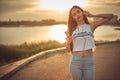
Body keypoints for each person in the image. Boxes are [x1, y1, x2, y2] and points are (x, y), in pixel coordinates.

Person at [65, 5, 113, 80]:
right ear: (73, 18)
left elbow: (110, 16)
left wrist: (92, 15)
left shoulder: (91, 26)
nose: (77, 15)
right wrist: (68, 43)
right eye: (74, 14)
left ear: (83, 12)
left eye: (78, 12)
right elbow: (68, 50)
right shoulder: (71, 30)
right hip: (75, 61)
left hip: (89, 61)